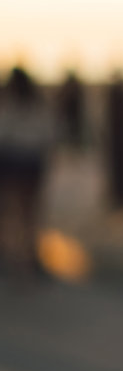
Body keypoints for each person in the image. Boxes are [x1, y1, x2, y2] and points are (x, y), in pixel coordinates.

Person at [0, 67, 54, 277]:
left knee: (13, 212)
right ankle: (28, 255)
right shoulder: (38, 105)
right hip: (31, 164)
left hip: (15, 163)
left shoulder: (8, 105)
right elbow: (48, 135)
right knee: (29, 213)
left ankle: (16, 256)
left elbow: (4, 134)